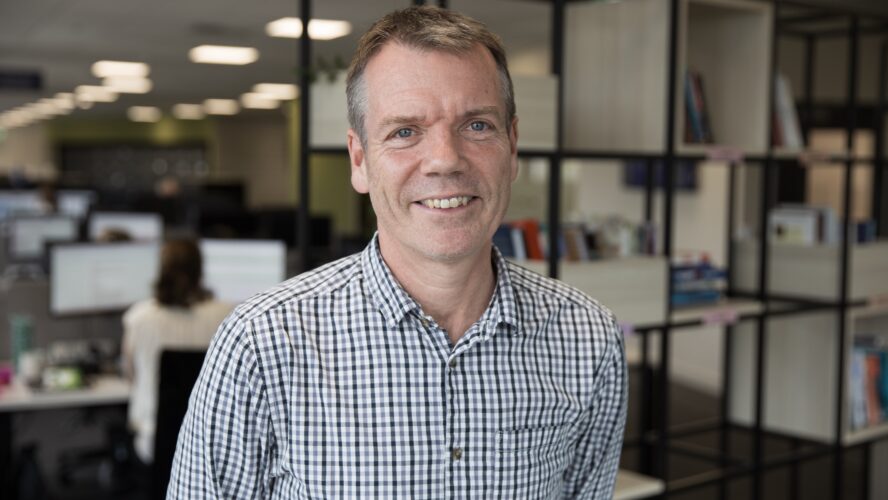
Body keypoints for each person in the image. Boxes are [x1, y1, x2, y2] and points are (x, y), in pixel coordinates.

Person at [169, 6, 627, 498]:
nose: (445, 160)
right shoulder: (262, 345)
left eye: (477, 125)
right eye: (405, 131)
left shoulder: (588, 340)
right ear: (360, 160)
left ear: (512, 148)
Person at [122, 238, 233, 465]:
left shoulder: (139, 317)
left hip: (155, 442)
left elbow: (130, 375)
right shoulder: (228, 315)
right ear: (200, 270)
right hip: (215, 443)